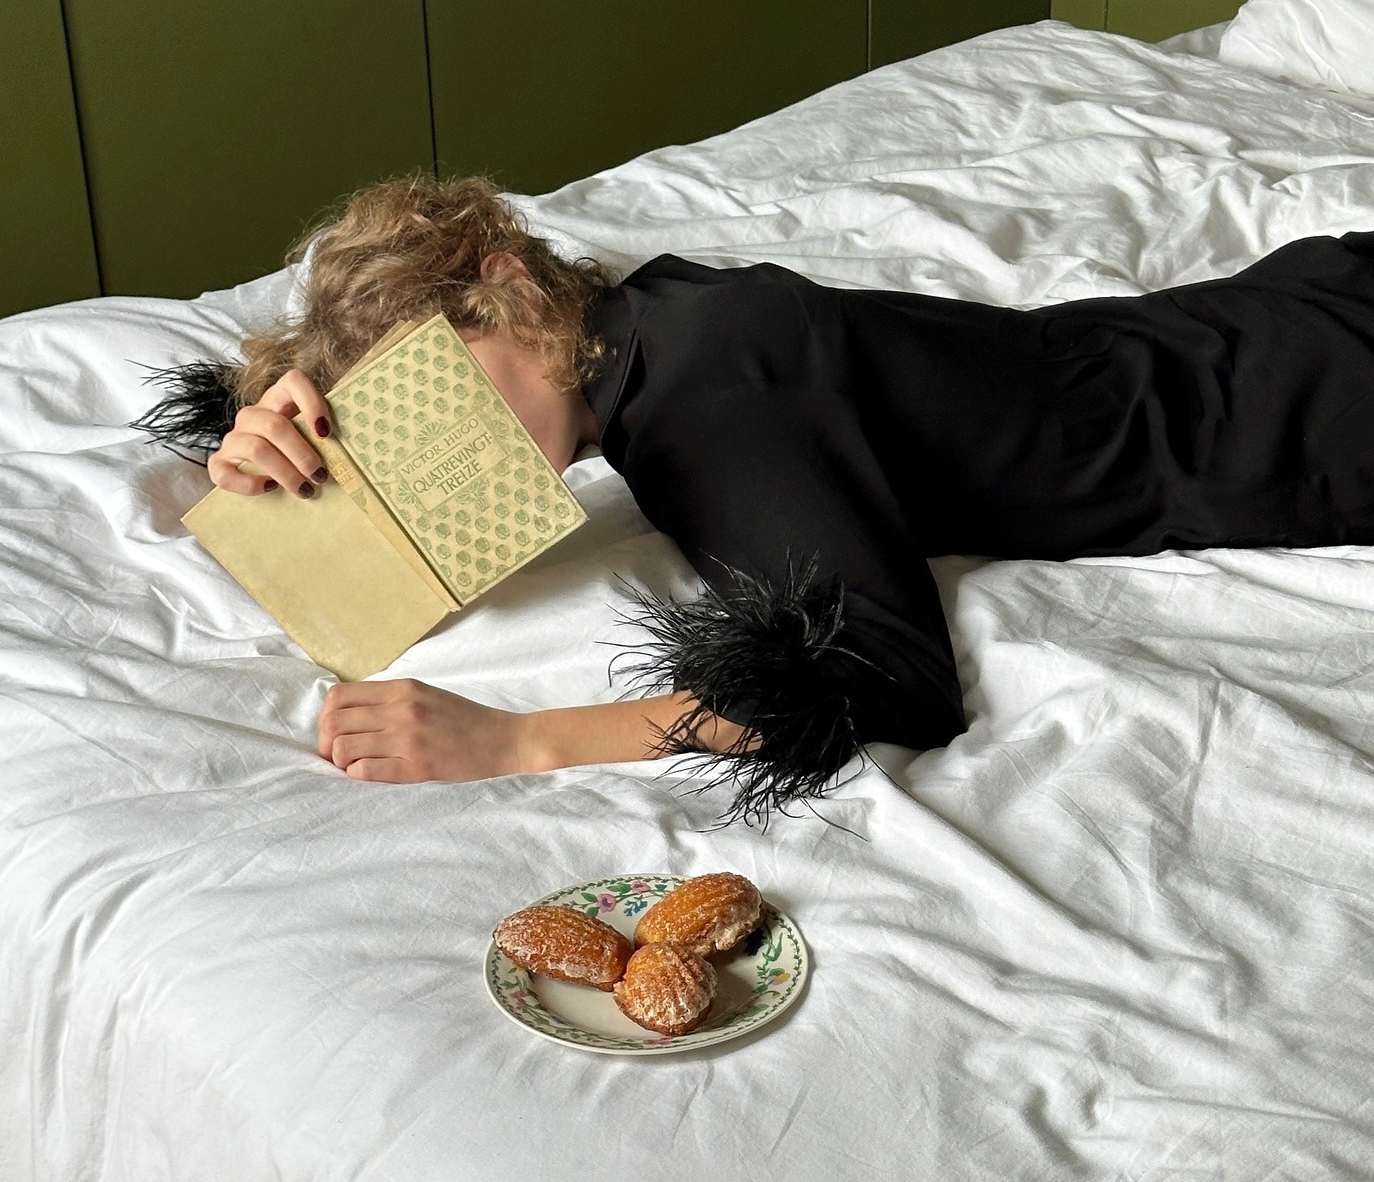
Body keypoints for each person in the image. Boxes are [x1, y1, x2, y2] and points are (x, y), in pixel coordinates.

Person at [139, 174, 1374, 818]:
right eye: (403, 421)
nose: (447, 441)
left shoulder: (704, 392)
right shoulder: (639, 327)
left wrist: (513, 741)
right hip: (1246, 327)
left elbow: (887, 682)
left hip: (1309, 410)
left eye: (442, 384)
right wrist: (281, 448)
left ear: (509, 285)